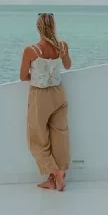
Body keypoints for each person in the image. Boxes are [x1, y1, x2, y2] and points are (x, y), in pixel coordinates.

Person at [19, 13, 72, 191]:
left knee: (37, 138)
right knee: (60, 136)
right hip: (58, 93)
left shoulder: (31, 50)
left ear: (38, 28)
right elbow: (68, 65)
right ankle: (55, 177)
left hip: (40, 95)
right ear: (53, 26)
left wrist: (37, 76)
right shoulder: (62, 46)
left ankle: (55, 172)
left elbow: (23, 76)